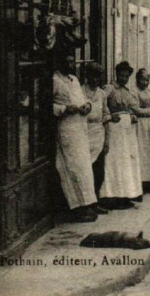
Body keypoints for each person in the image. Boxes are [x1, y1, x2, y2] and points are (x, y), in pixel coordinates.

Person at [52, 54, 98, 222]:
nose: (70, 64)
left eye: (72, 61)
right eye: (67, 61)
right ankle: (76, 208)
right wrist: (64, 109)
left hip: (80, 128)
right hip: (67, 129)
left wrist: (87, 105)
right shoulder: (54, 80)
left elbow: (83, 99)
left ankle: (88, 204)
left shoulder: (74, 80)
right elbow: (43, 105)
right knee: (72, 167)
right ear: (60, 62)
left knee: (84, 168)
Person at [100, 61, 143, 210]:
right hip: (114, 129)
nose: (123, 78)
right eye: (121, 75)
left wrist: (132, 115)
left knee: (127, 162)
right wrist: (110, 116)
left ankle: (126, 195)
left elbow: (132, 107)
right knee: (115, 162)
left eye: (126, 76)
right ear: (116, 74)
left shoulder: (128, 90)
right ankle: (112, 196)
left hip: (127, 130)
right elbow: (101, 104)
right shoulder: (109, 88)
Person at [83, 62, 114, 215]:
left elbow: (106, 116)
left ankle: (95, 202)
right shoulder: (81, 92)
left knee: (98, 172)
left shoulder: (101, 94)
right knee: (85, 172)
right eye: (92, 76)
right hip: (83, 134)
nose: (95, 80)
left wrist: (107, 140)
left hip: (98, 134)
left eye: (98, 77)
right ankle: (86, 205)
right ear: (87, 76)